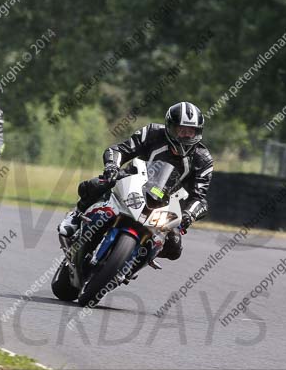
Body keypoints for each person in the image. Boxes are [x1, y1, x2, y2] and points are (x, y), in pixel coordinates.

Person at [58, 101, 213, 261]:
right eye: (181, 130)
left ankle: (134, 260)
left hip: (165, 203)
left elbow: (199, 198)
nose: (185, 136)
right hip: (133, 180)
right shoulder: (152, 133)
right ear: (170, 127)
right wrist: (112, 166)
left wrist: (189, 214)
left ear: (198, 132)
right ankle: (75, 216)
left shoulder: (203, 159)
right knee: (97, 184)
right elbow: (119, 150)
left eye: (190, 131)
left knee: (174, 247)